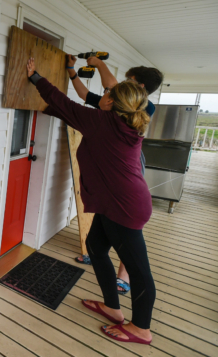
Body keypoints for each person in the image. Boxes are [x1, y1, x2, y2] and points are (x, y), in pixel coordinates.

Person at [26, 57, 155, 345]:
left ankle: (141, 329)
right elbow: (78, 105)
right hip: (116, 202)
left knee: (138, 270)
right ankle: (112, 306)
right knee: (96, 249)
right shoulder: (128, 121)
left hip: (125, 208)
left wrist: (35, 76)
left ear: (112, 104)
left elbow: (63, 103)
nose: (103, 94)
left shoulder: (101, 122)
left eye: (108, 94)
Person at [69, 55, 163, 296]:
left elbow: (111, 88)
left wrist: (99, 64)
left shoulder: (144, 106)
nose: (117, 86)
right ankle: (98, 255)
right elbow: (86, 97)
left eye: (127, 81)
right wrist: (71, 71)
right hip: (115, 174)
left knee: (129, 231)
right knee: (104, 228)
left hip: (127, 172)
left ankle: (124, 276)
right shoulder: (109, 107)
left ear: (139, 87)